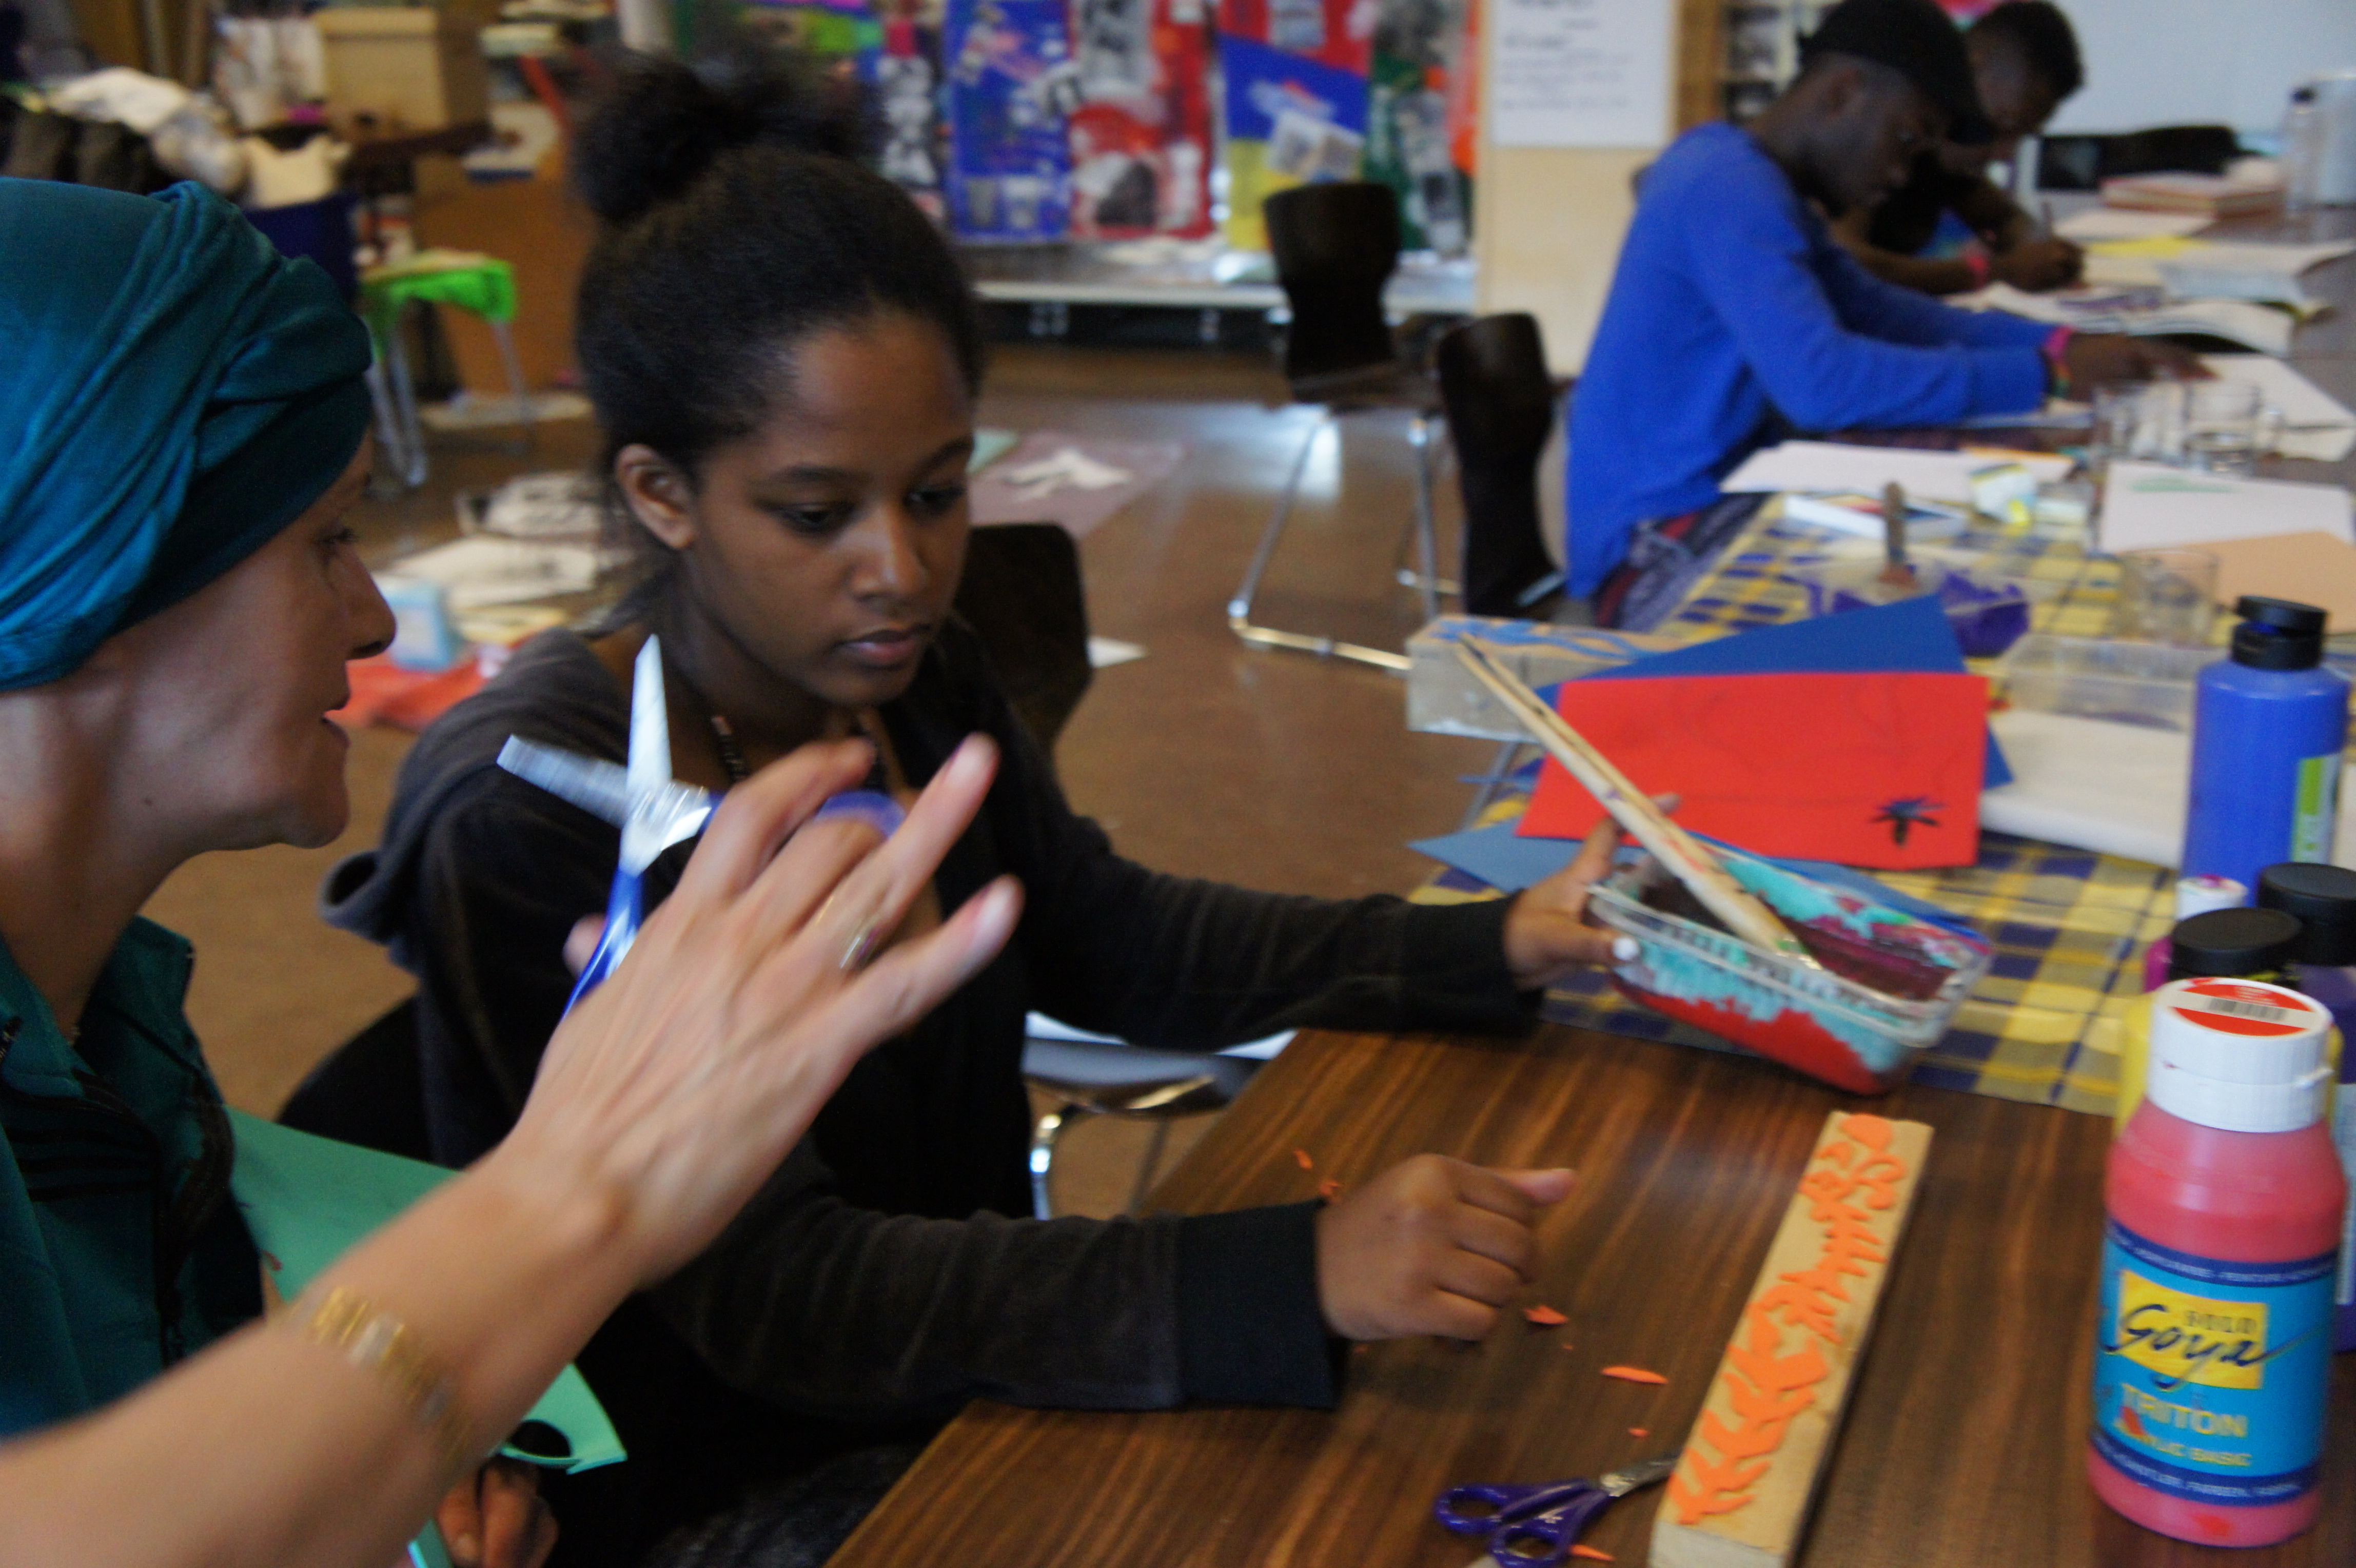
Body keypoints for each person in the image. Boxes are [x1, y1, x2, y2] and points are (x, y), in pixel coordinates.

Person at [322, 53, 1629, 1566]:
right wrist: (1289, 1275)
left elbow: (1115, 938)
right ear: (661, 494)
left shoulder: (905, 676)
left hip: (949, 1387)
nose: (900, 566)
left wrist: (1498, 944)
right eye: (817, 513)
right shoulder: (536, 808)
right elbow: (784, 1298)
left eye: (938, 491)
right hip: (709, 1480)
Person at [0, 173, 1026, 1568]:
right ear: (89, 576)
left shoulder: (107, 1007)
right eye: (327, 542)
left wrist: (362, 1469)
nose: (370, 616)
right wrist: (568, 1187)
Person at [1564, 0, 2197, 631]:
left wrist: (2058, 343)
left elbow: (1887, 315)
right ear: (1844, 93)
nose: (1900, 173)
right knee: (1944, 613)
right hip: (1653, 550)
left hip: (1723, 498)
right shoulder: (1724, 184)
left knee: (1963, 565)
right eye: (1904, 138)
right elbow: (1823, 385)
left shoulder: (1762, 186)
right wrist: (2043, 375)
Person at [1830, 1, 2087, 297]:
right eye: (2003, 125)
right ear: (1970, 69)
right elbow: (1846, 264)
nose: (2007, 154)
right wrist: (1996, 271)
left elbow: (2005, 219)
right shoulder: (1873, 137)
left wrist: (2040, 250)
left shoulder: (1947, 159)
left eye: (2022, 135)